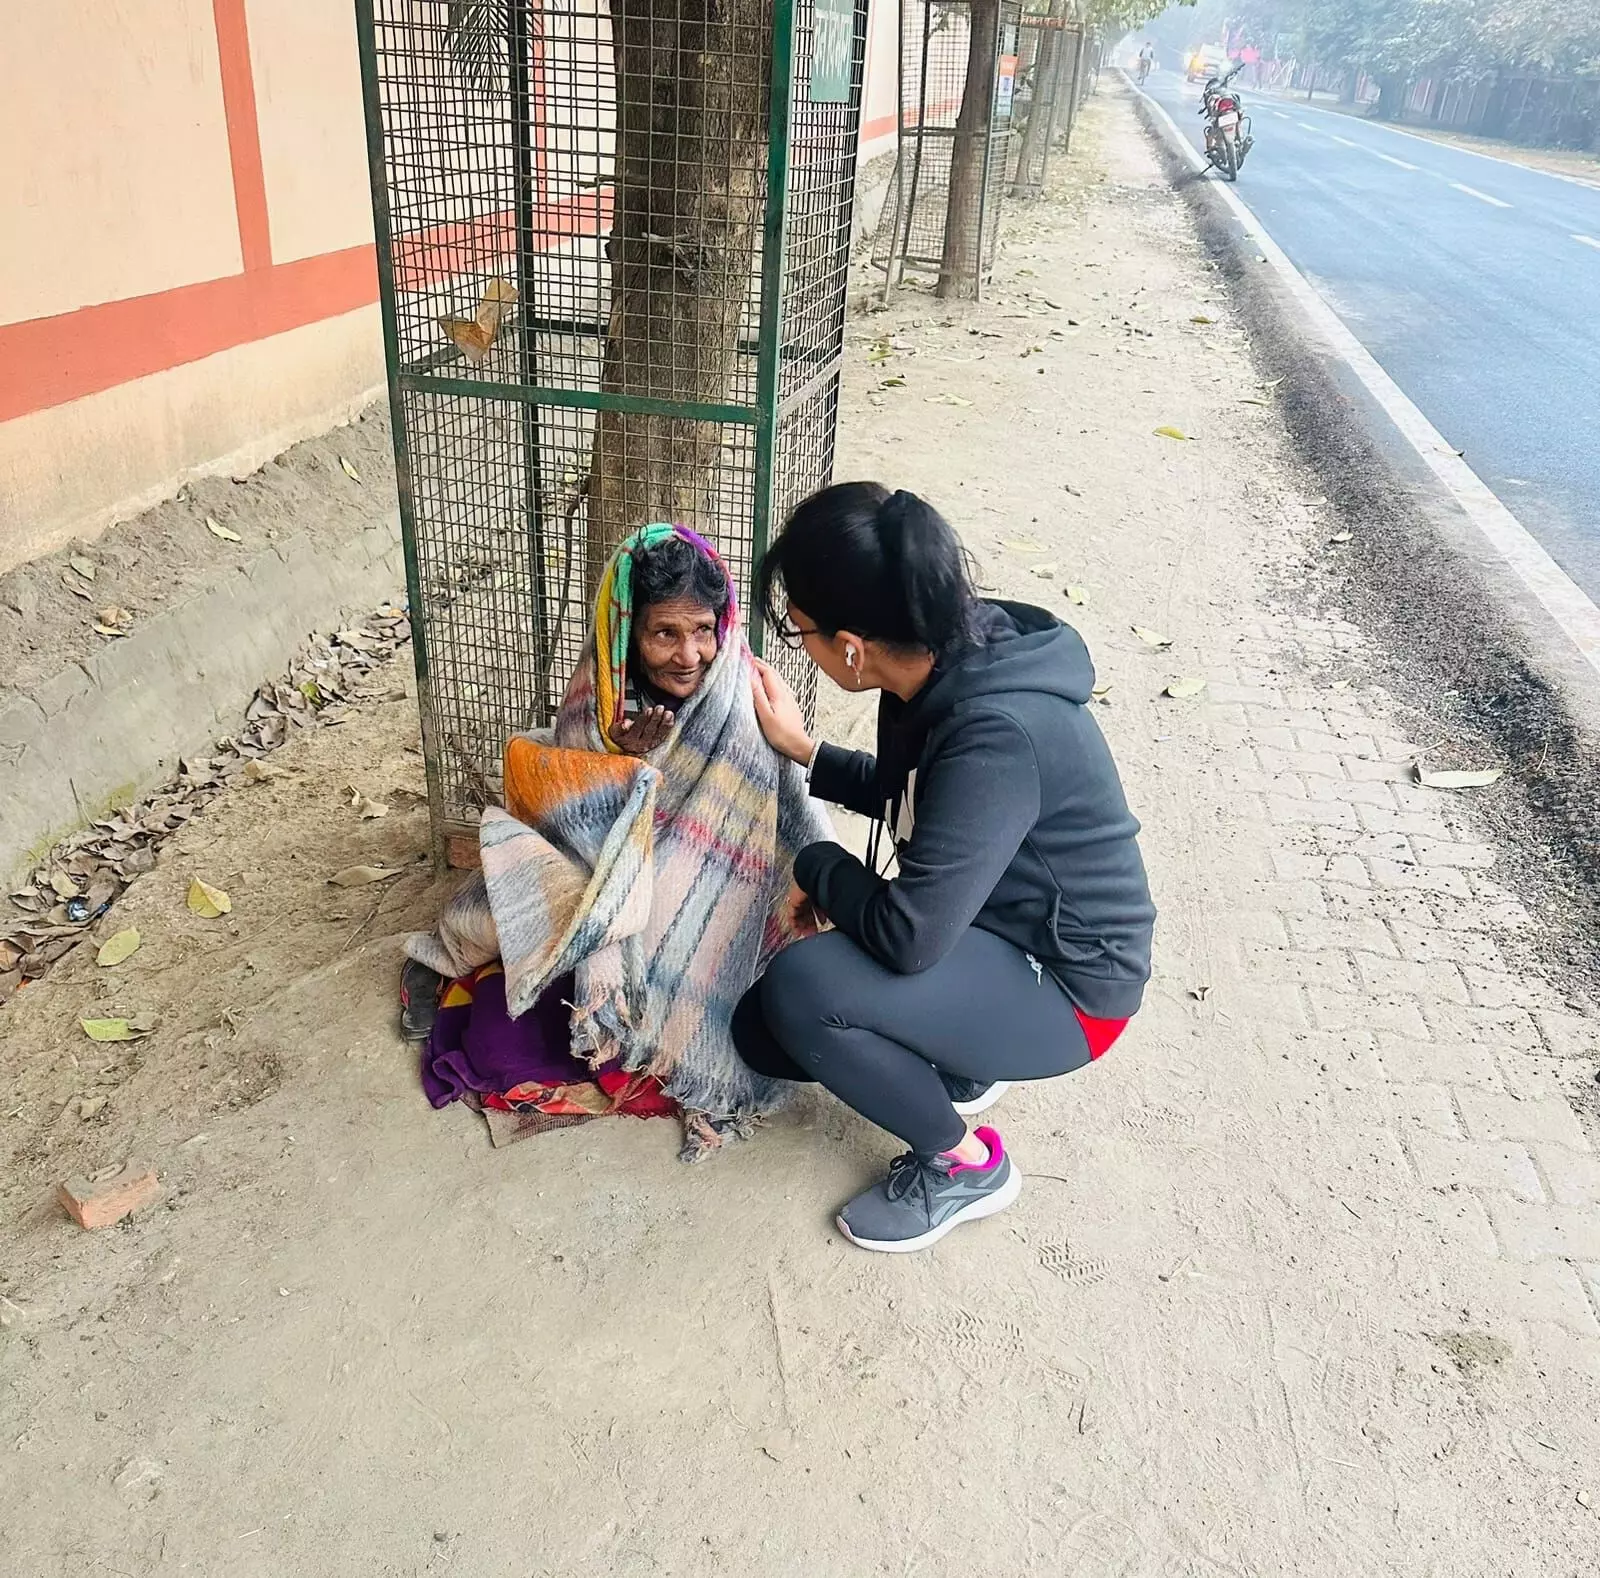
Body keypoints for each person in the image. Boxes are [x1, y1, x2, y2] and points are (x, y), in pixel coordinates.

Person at [734, 483, 1155, 1251]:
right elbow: (928, 802)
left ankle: (964, 1166)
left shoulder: (997, 730)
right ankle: (962, 1056)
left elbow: (909, 938)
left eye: (802, 635)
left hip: (1071, 992)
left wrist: (822, 864)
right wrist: (806, 753)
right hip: (999, 929)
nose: (805, 650)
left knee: (799, 996)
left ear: (852, 646)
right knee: (762, 1035)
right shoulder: (933, 655)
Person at [402, 523, 829, 1159]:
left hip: (705, 894)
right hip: (610, 871)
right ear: (629, 630)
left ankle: (668, 1012)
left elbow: (781, 816)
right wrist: (619, 765)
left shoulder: (745, 696)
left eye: (704, 631)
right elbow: (567, 813)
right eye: (665, 634)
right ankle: (438, 957)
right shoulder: (603, 687)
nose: (689, 655)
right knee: (536, 896)